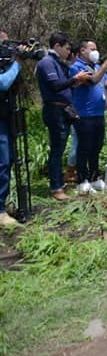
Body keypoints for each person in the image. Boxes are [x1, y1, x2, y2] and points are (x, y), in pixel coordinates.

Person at [36, 32, 91, 201]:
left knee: (60, 148)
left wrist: (76, 82)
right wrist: (75, 78)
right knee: (57, 151)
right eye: (67, 48)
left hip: (64, 110)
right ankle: (56, 187)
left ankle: (59, 181)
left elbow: (65, 87)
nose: (69, 52)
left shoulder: (60, 64)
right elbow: (55, 86)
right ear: (57, 46)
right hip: (54, 111)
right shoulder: (47, 63)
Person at [70, 39, 107, 192]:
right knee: (84, 147)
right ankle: (82, 180)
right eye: (92, 49)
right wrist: (105, 65)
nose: (95, 52)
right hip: (84, 114)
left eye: (96, 49)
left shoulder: (97, 67)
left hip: (98, 113)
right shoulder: (77, 67)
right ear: (82, 51)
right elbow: (92, 81)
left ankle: (95, 177)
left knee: (96, 147)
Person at [0, 29, 27, 225]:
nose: (6, 47)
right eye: (3, 44)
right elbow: (2, 84)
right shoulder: (9, 66)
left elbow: (12, 86)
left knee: (7, 161)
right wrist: (17, 63)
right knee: (2, 161)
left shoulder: (5, 65)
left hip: (5, 116)